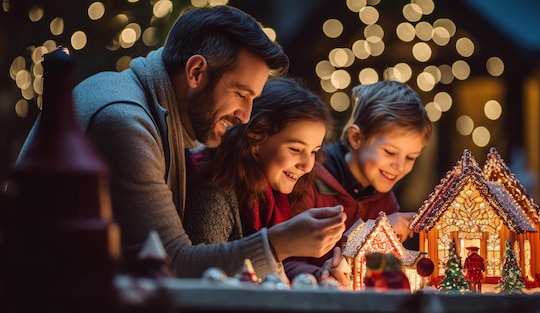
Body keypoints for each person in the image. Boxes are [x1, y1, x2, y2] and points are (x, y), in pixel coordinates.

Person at [17, 6, 345, 278]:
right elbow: (171, 264)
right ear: (196, 72)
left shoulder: (152, 110)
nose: (245, 115)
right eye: (240, 94)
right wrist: (277, 243)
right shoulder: (125, 122)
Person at [184, 77, 346, 280]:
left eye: (314, 151)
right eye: (296, 149)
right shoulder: (215, 196)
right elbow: (205, 279)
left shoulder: (273, 200)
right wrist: (280, 245)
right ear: (255, 140)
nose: (307, 165)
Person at [285, 80, 432, 284]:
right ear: (356, 138)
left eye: (410, 157)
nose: (399, 166)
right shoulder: (309, 181)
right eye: (390, 152)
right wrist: (374, 231)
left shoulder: (386, 202)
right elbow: (284, 261)